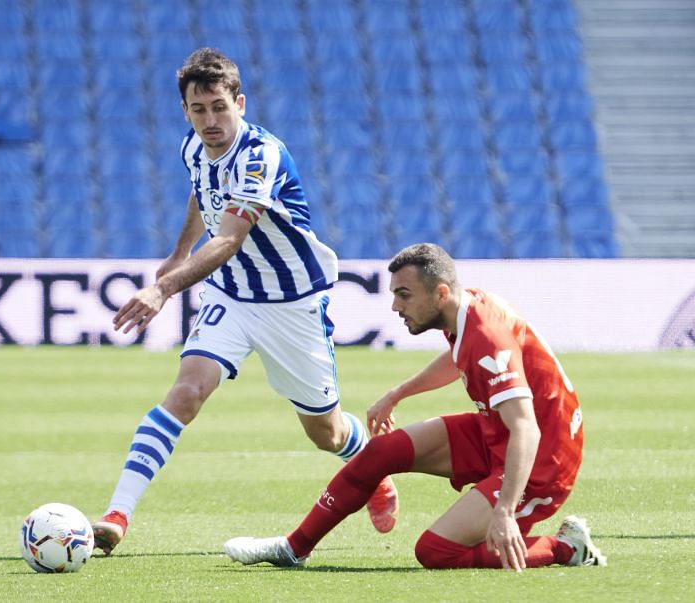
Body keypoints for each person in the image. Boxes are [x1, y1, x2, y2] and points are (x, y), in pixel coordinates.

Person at [92, 48, 398, 555]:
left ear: (240, 101)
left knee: (325, 432)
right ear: (185, 110)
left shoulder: (261, 156)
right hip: (231, 295)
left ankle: (374, 468)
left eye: (219, 107)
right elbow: (201, 193)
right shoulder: (193, 147)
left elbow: (230, 237)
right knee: (187, 392)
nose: (210, 121)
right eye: (198, 109)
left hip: (291, 304)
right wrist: (176, 254)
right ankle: (116, 514)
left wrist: (164, 287)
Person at [224, 243, 607, 571]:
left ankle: (567, 548)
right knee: (381, 451)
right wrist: (399, 393)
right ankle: (294, 549)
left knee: (435, 551)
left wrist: (504, 511)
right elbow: (460, 356)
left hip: (540, 458)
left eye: (404, 294)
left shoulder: (490, 336)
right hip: (499, 431)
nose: (394, 305)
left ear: (440, 293)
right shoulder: (465, 310)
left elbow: (527, 427)